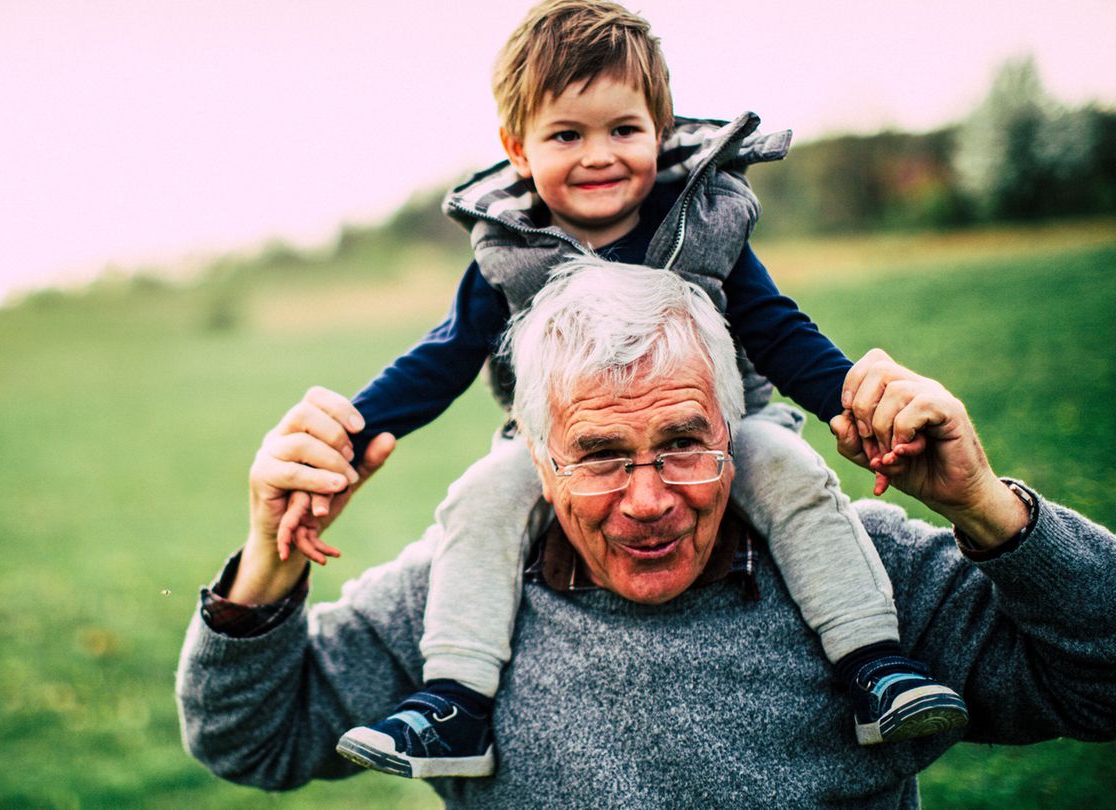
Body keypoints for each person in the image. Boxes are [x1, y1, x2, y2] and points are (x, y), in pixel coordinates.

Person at [276, 0, 960, 779]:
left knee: (795, 476)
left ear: (660, 130)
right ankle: (454, 703)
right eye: (566, 135)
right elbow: (444, 357)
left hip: (718, 427)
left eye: (623, 130)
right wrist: (351, 433)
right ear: (517, 148)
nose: (598, 155)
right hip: (568, 448)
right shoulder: (507, 249)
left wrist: (857, 407)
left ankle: (874, 664)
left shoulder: (702, 220)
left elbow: (776, 330)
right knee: (478, 501)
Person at [176, 260, 1116, 806]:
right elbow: (250, 738)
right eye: (598, 457)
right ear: (536, 462)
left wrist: (985, 507)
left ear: (737, 432)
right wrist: (267, 559)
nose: (650, 500)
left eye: (683, 444)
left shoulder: (865, 573)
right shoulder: (462, 595)